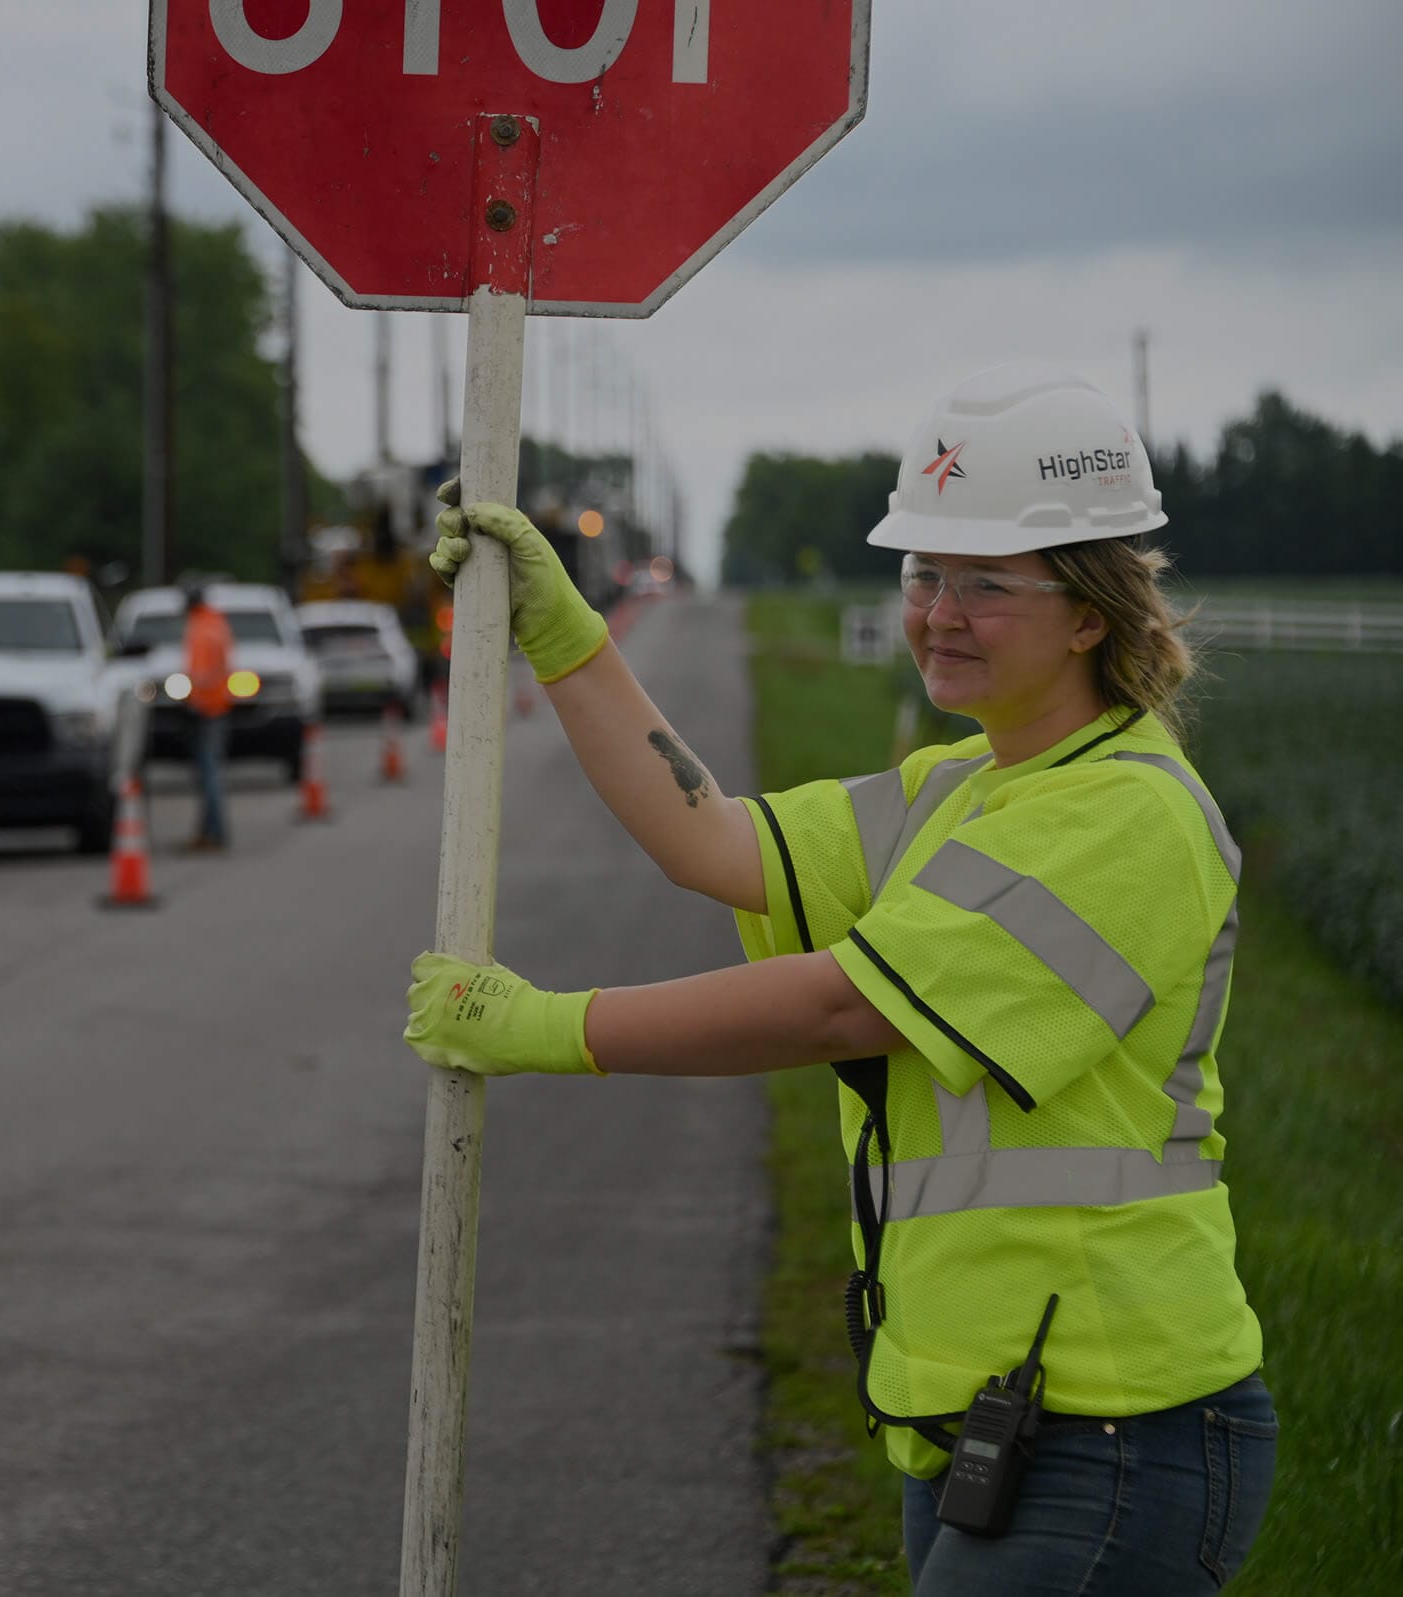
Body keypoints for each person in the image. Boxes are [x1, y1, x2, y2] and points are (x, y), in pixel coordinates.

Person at [402, 364, 1273, 1594]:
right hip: (983, 1420)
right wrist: (565, 634)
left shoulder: (1127, 810)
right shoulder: (957, 788)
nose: (938, 613)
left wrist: (549, 1027)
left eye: (984, 584)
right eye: (923, 574)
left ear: (1092, 613)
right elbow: (714, 840)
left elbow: (843, 1003)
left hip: (1113, 1425)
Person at [181, 581, 234, 853]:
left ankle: (213, 832)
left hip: (206, 709)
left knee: (208, 774)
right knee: (211, 772)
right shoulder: (218, 624)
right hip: (220, 706)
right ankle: (210, 830)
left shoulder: (201, 630)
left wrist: (191, 700)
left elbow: (200, 675)